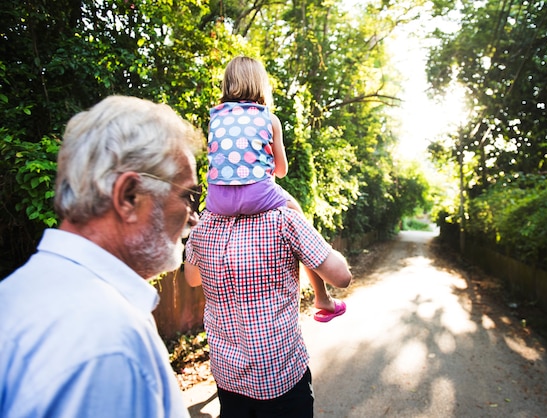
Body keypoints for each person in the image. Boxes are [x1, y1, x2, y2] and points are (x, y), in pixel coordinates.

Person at [0, 95, 203, 418]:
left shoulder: (16, 293)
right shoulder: (110, 343)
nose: (194, 217)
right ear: (129, 197)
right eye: (189, 195)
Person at [207, 56, 346, 322]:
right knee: (298, 214)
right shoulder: (269, 119)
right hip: (257, 194)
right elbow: (280, 171)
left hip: (217, 200)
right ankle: (322, 297)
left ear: (228, 84)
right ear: (260, 84)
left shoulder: (215, 118)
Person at [184, 207, 352, 417]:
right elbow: (342, 277)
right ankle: (323, 298)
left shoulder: (204, 222)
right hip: (280, 378)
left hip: (228, 377)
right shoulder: (283, 219)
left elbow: (192, 279)